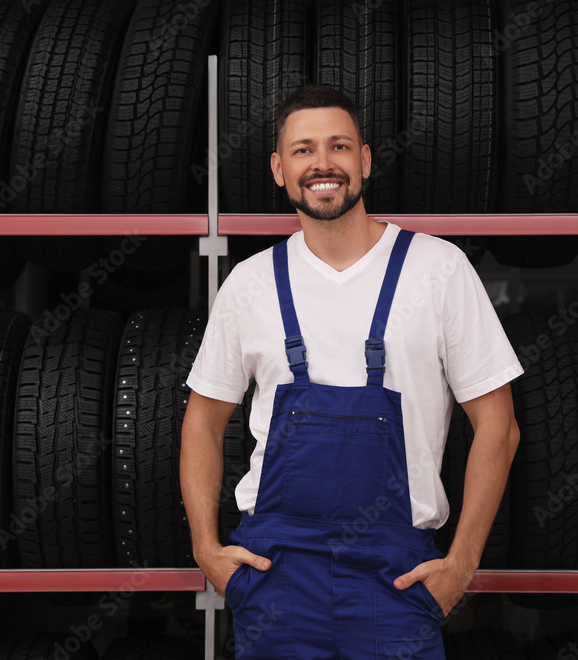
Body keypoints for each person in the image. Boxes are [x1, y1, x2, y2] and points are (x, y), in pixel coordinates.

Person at [180, 84, 522, 658]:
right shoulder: (250, 282)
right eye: (303, 149)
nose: (322, 164)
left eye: (339, 146)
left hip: (396, 580)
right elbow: (202, 422)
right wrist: (206, 551)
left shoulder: (439, 269)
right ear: (278, 169)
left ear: (364, 160)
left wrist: (460, 565)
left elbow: (499, 425)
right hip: (275, 577)